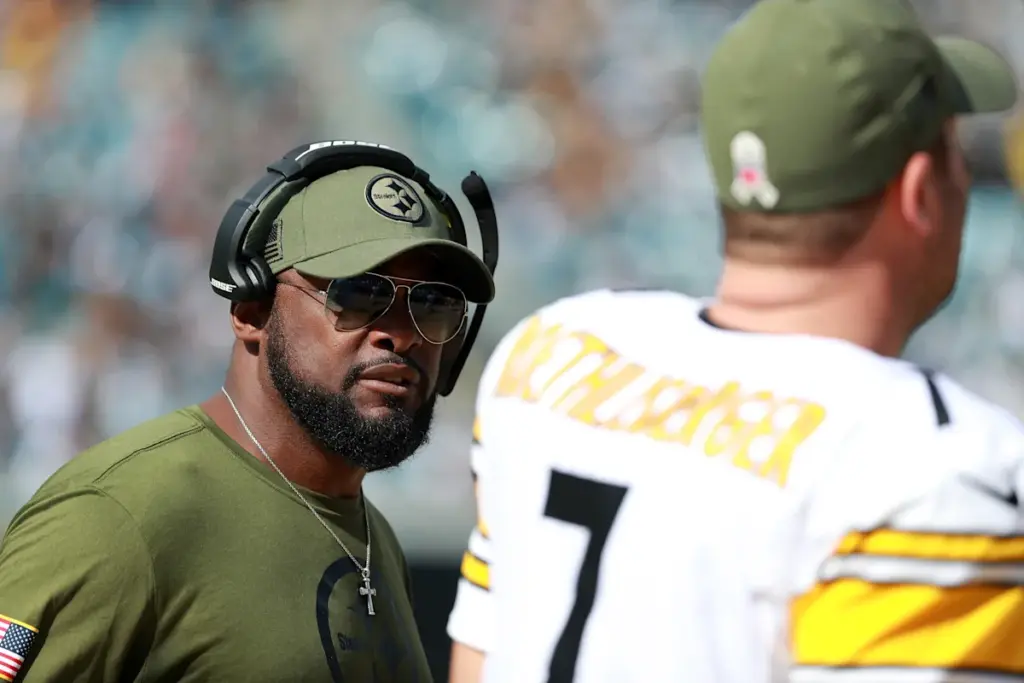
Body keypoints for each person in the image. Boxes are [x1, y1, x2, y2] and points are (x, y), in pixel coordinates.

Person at [446, 1, 1024, 681]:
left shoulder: (553, 351)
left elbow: (478, 663)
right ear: (920, 193)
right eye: (956, 154)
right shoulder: (934, 466)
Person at [0, 141, 496, 682]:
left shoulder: (374, 538)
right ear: (251, 311)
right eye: (358, 294)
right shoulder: (118, 518)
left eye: (433, 304)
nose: (400, 334)